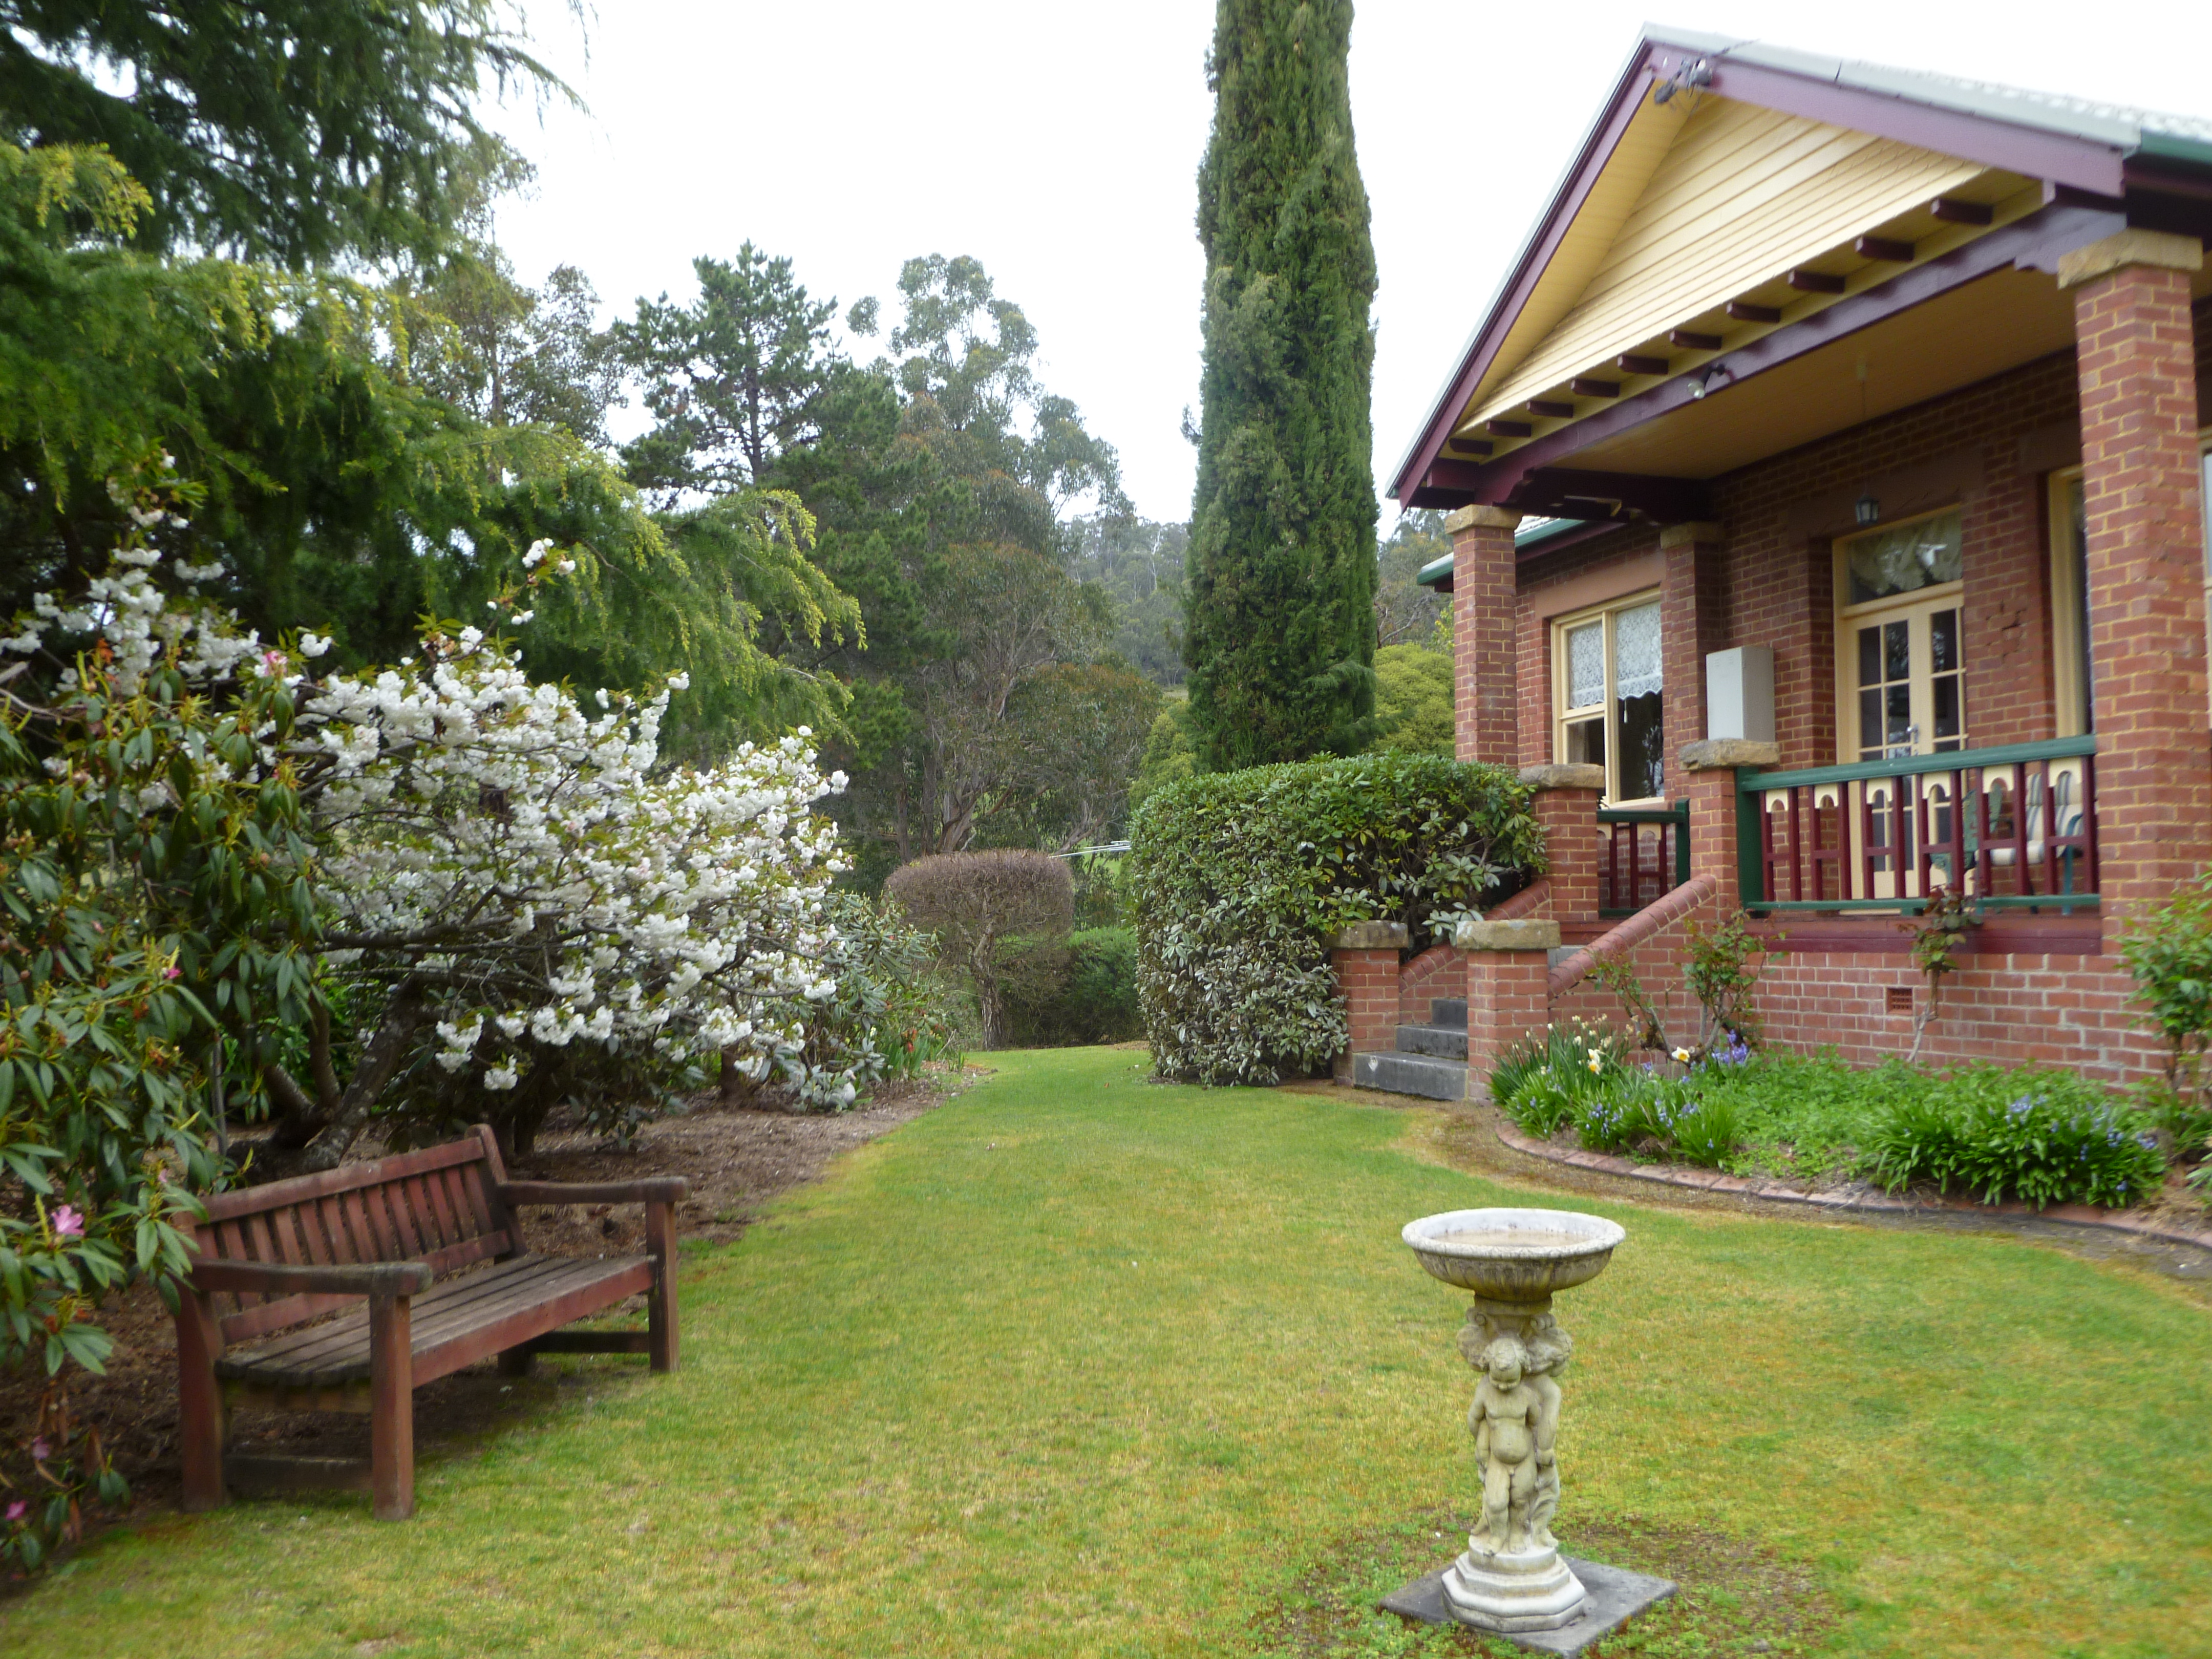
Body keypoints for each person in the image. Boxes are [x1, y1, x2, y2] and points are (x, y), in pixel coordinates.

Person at [1465, 1336, 1555, 1554]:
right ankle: (1498, 1536)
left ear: (1522, 1373)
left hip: (1524, 1461)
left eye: (1510, 1381)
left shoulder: (1526, 1395)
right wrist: (1483, 1442)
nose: (1503, 1386)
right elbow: (1474, 1419)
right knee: (1496, 1503)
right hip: (1497, 1461)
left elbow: (1535, 1420)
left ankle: (1516, 1533)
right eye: (1497, 1380)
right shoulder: (1486, 1394)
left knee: (1520, 1500)